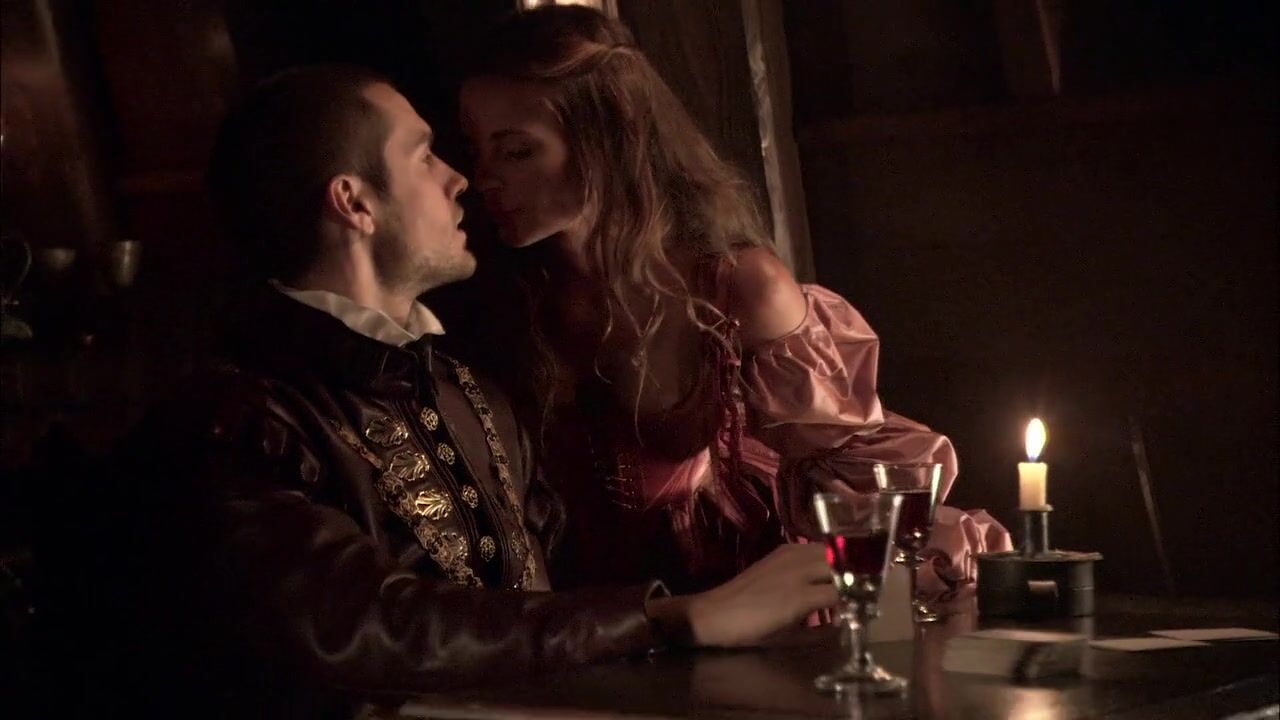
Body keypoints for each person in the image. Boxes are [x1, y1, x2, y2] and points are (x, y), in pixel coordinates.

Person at [73, 64, 837, 717]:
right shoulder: (237, 419)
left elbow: (548, 603)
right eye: (425, 155)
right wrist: (670, 618)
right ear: (354, 203)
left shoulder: (468, 392)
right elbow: (359, 628)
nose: (459, 178)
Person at [458, 6, 1011, 598]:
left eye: (516, 151)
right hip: (588, 620)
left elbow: (853, 490)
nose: (483, 177)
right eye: (475, 150)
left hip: (750, 609)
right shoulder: (503, 299)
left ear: (606, 140)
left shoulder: (735, 290)